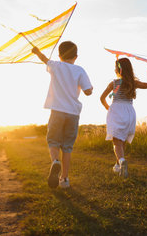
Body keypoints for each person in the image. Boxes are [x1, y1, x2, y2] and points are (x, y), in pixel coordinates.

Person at [32, 41, 93, 189]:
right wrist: (90, 88)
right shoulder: (80, 70)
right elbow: (88, 91)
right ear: (76, 56)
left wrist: (36, 51)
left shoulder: (56, 66)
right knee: (67, 147)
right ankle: (64, 179)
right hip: (73, 113)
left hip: (57, 111)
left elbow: (44, 59)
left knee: (53, 141)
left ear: (59, 56)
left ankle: (55, 161)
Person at [100, 58, 147, 178]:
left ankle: (122, 161)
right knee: (122, 140)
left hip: (117, 110)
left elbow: (102, 98)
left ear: (118, 69)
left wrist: (109, 108)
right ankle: (118, 165)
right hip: (129, 112)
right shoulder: (133, 83)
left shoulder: (114, 83)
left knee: (116, 141)